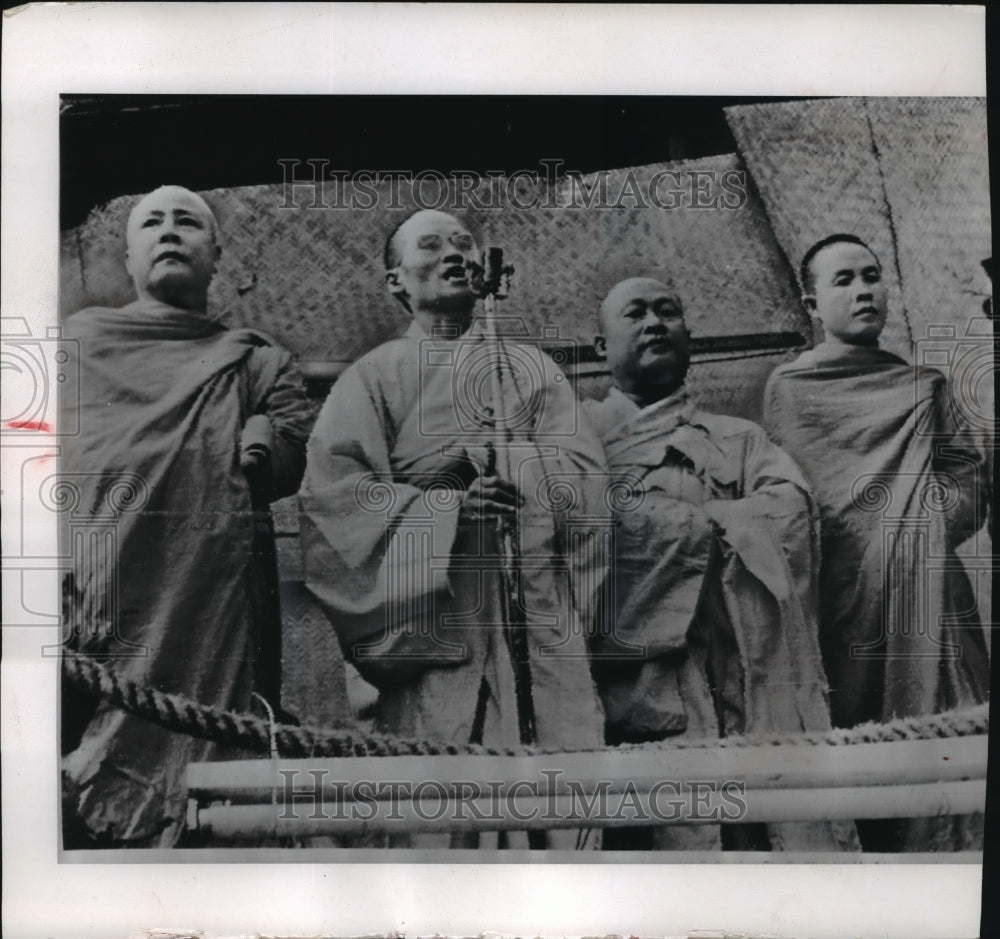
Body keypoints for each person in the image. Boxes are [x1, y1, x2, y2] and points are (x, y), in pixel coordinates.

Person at [299, 209, 608, 848]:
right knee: (441, 825)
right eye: (431, 244)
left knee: (562, 802)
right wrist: (444, 510)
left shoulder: (529, 369)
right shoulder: (373, 376)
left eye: (463, 242)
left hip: (535, 610)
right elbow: (335, 503)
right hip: (434, 621)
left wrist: (512, 470)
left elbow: (585, 479)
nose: (453, 252)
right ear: (395, 281)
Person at [61, 185, 312, 848]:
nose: (170, 230)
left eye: (188, 222)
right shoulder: (79, 347)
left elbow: (293, 460)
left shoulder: (255, 360)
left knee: (214, 802)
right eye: (153, 221)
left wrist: (267, 440)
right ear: (129, 251)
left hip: (215, 607)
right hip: (97, 610)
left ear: (216, 251)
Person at [586, 276, 856, 852]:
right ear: (599, 346)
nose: (655, 323)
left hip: (749, 676)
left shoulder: (741, 439)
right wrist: (713, 524)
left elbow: (792, 516)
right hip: (643, 685)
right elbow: (577, 546)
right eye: (635, 313)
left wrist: (672, 524)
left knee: (763, 848)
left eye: (668, 311)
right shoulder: (577, 449)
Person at [763, 235, 989, 851]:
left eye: (872, 275)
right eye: (843, 280)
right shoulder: (790, 390)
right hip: (845, 607)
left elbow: (968, 480)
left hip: (932, 593)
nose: (864, 290)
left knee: (958, 746)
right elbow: (795, 506)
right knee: (867, 758)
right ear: (812, 304)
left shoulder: (924, 387)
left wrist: (920, 520)